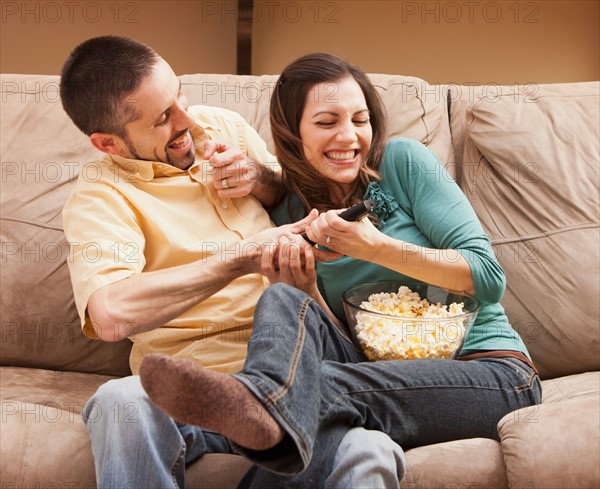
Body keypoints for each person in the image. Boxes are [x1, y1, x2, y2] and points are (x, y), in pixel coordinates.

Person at [139, 53, 543, 487]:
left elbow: (488, 277)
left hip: (488, 372)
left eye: (360, 119)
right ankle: (262, 403)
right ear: (293, 135)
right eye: (327, 121)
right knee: (283, 299)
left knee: (317, 388)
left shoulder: (401, 163)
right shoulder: (290, 215)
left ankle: (252, 407)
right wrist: (306, 288)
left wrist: (376, 247)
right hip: (370, 372)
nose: (349, 136)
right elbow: (347, 342)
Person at [60, 38, 406, 489]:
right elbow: (110, 314)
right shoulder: (100, 197)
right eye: (163, 118)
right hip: (192, 386)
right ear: (109, 143)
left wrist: (259, 178)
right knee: (118, 401)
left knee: (370, 450)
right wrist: (240, 259)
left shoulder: (222, 125)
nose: (188, 119)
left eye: (178, 95)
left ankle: (269, 412)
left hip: (296, 372)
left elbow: (289, 191)